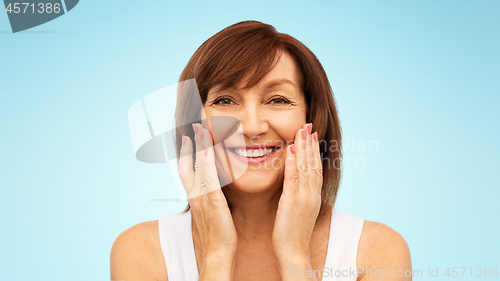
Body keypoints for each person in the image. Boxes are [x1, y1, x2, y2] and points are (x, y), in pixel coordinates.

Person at [110, 20, 412, 281]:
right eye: (225, 101)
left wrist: (294, 255)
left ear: (312, 117)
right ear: (193, 122)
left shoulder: (374, 251)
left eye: (278, 100)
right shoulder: (143, 250)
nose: (252, 127)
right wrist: (216, 255)